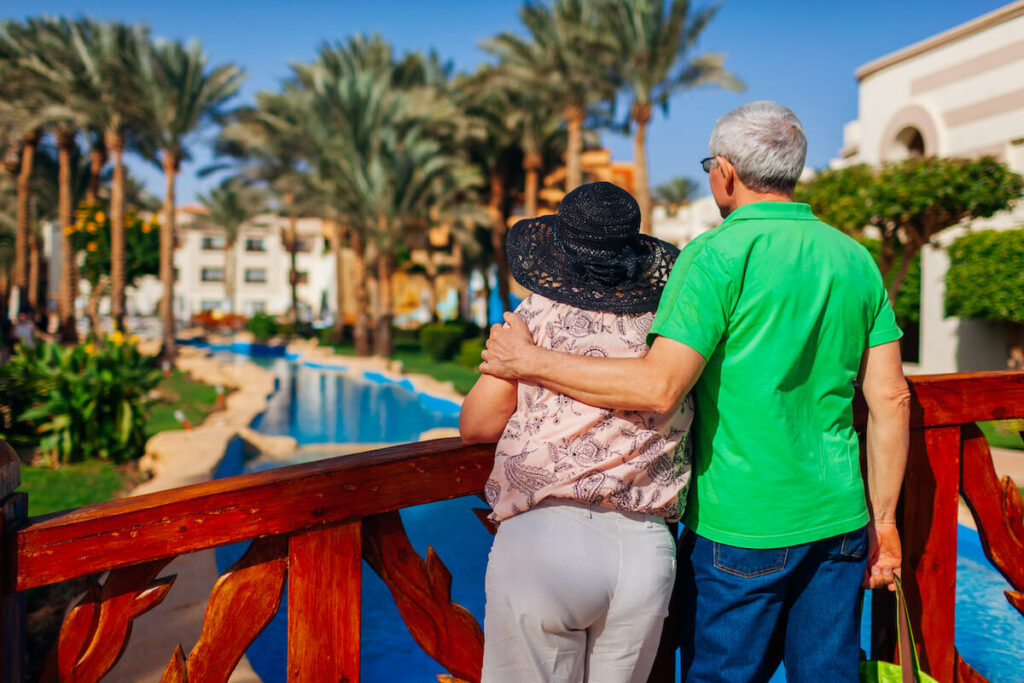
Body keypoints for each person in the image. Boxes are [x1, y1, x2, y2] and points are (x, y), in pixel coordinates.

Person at [480, 101, 911, 682]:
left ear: (726, 172)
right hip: (839, 518)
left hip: (742, 524)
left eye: (711, 164)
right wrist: (883, 524)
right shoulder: (853, 258)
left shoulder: (713, 256)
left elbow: (660, 386)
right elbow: (891, 399)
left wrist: (528, 360)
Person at [460, 181, 692, 682]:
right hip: (645, 549)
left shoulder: (535, 316)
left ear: (560, 249)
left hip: (546, 539)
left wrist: (518, 358)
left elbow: (476, 425)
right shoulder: (669, 326)